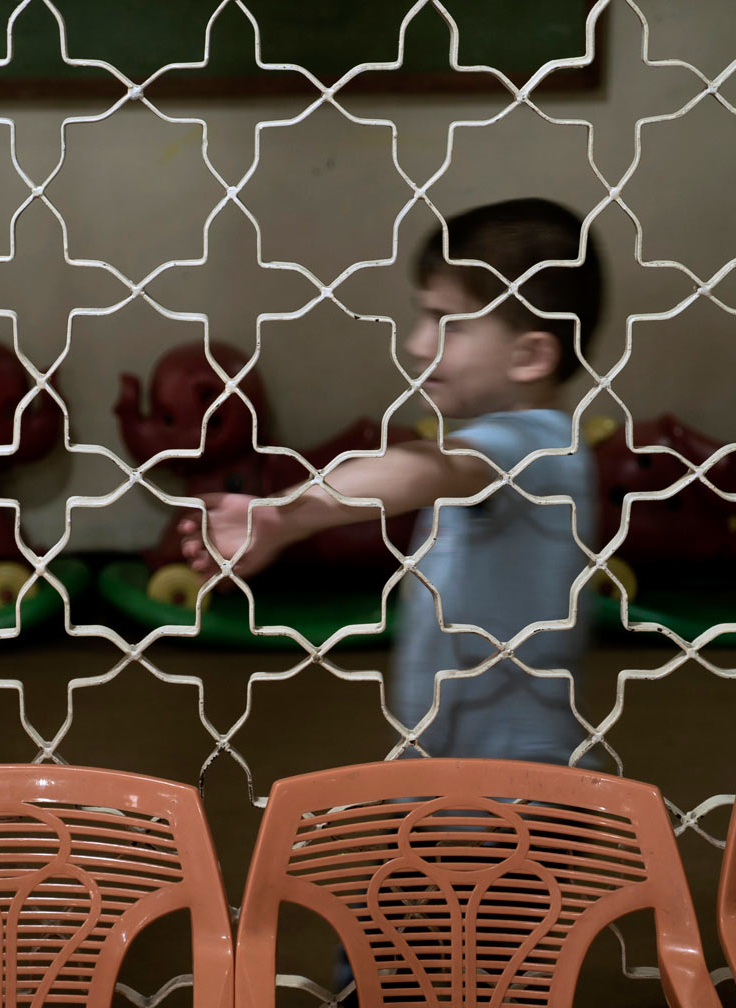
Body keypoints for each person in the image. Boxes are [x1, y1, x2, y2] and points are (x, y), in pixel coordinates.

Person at [177, 197, 603, 767]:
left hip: (512, 792)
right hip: (448, 765)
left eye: (448, 324)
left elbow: (425, 467)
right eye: (422, 315)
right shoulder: (512, 444)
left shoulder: (537, 447)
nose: (417, 343)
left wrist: (288, 515)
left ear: (530, 355)